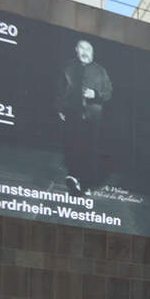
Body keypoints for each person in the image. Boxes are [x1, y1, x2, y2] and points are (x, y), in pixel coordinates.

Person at [55, 38, 112, 195]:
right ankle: (73, 178)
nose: (85, 51)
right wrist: (60, 108)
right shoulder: (68, 67)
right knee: (72, 147)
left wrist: (95, 94)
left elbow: (109, 93)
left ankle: (85, 183)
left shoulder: (100, 71)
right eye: (82, 48)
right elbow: (60, 90)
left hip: (92, 117)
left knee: (89, 150)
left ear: (92, 53)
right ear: (76, 50)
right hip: (72, 114)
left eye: (88, 49)